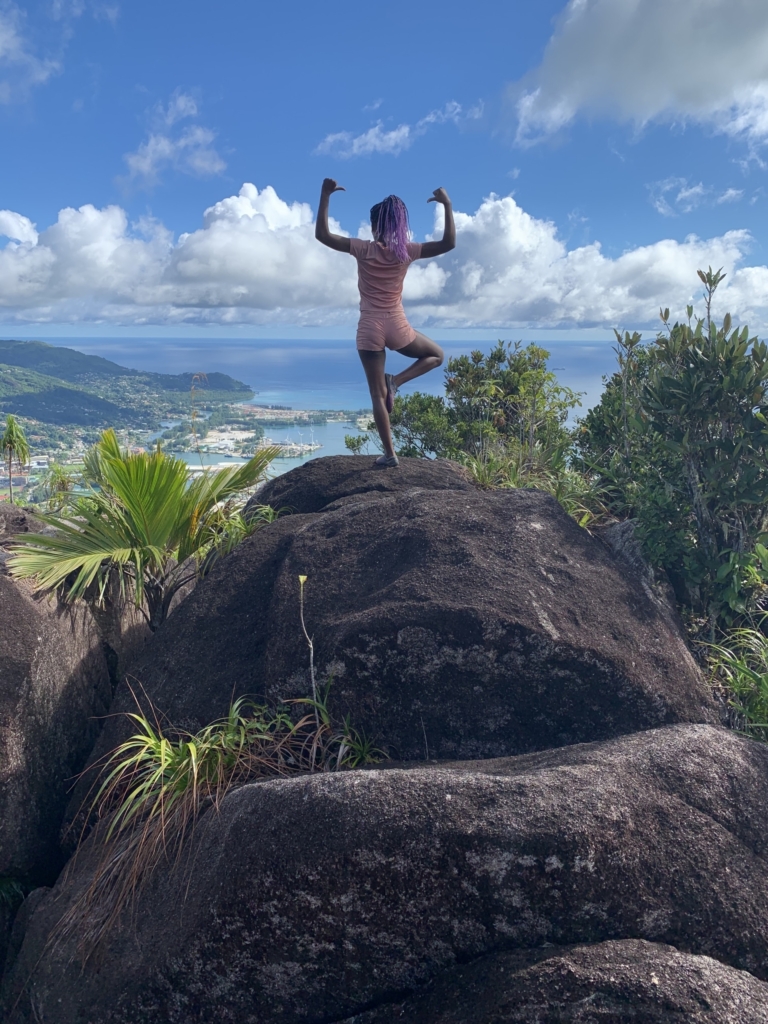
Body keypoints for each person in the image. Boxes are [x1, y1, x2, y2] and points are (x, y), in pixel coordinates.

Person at [315, 178, 456, 467]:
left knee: (376, 395)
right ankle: (397, 381)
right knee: (437, 355)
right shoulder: (408, 251)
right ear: (399, 225)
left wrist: (325, 195)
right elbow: (448, 243)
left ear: (375, 225)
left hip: (369, 328)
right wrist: (447, 204)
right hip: (397, 326)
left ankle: (390, 455)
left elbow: (323, 235)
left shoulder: (363, 248)